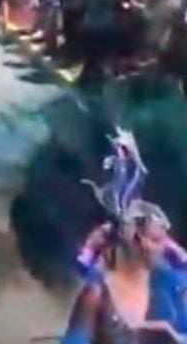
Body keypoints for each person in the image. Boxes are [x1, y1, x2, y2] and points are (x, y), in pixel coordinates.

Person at [61, 130, 187, 342]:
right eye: (156, 240)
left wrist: (169, 333)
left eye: (165, 240)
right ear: (133, 241)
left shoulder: (169, 284)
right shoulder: (96, 293)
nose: (164, 246)